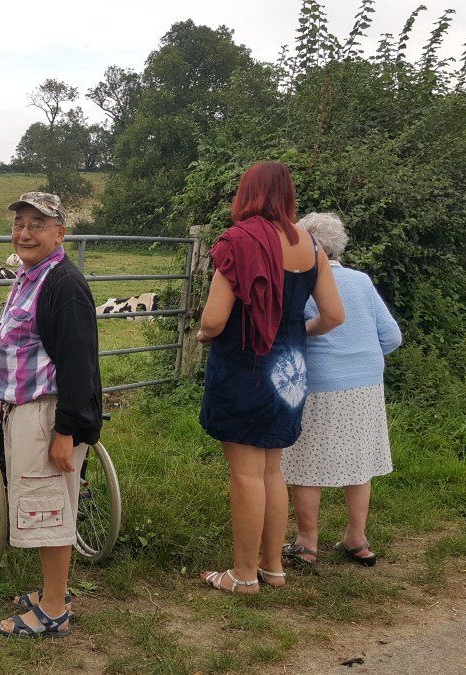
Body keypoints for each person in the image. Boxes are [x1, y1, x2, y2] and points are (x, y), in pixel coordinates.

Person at [196, 161, 345, 593]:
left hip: (245, 368)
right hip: (291, 373)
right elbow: (334, 315)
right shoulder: (312, 247)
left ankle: (243, 576)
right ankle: (273, 568)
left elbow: (215, 317)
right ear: (287, 196)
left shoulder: (238, 241)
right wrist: (297, 333)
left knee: (245, 473)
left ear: (247, 193)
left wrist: (205, 334)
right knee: (271, 471)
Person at [0, 191, 102, 637]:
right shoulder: (32, 274)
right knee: (45, 504)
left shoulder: (62, 285)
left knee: (49, 510)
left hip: (48, 414)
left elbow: (79, 362)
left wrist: (66, 430)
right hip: (30, 409)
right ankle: (50, 592)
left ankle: (53, 610)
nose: (24, 233)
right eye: (19, 223)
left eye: (37, 224)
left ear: (60, 232)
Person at [281, 213, 402, 569]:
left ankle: (306, 543)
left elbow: (292, 333)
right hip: (366, 383)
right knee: (359, 459)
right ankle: (357, 539)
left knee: (305, 462)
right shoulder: (361, 280)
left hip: (319, 383)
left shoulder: (303, 283)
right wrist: (359, 357)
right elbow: (392, 337)